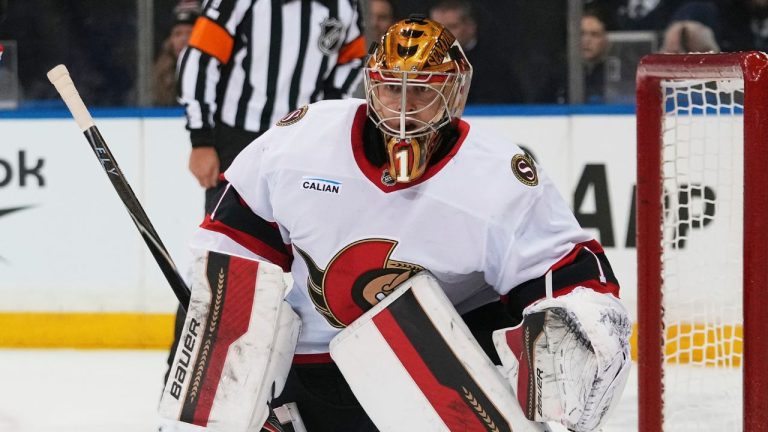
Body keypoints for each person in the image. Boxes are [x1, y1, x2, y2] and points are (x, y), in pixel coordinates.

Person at [159, 16, 632, 432]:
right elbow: (232, 247)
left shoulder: (496, 177)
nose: (404, 108)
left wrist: (575, 318)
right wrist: (229, 368)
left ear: (454, 94)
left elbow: (564, 272)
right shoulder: (302, 144)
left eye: (422, 91)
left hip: (437, 375)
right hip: (311, 366)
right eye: (392, 88)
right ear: (371, 86)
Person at [429, 0, 523, 104]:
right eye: (435, 28)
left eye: (452, 27)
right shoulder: (422, 62)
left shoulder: (494, 64)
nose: (442, 34)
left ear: (470, 27)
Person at [152, 0, 200, 106]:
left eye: (190, 33)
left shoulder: (212, 70)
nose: (183, 39)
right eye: (177, 34)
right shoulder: (160, 75)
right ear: (171, 39)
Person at [581, 9, 611, 103]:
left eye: (594, 35)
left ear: (605, 40)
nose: (586, 40)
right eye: (581, 34)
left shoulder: (612, 76)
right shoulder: (562, 75)